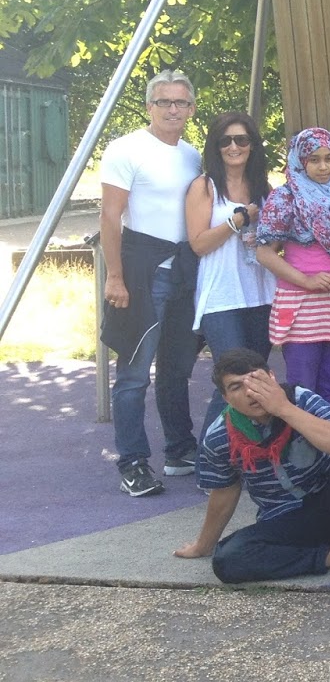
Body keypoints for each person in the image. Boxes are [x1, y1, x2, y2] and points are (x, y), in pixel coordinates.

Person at [174, 348, 330, 604]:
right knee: (227, 559)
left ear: (272, 377)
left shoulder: (299, 399)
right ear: (225, 398)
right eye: (236, 387)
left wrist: (283, 408)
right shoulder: (218, 436)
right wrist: (203, 545)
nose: (250, 392)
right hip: (286, 521)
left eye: (256, 380)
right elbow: (225, 492)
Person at [99, 69, 202, 496]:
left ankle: (179, 450)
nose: (173, 109)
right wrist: (116, 277)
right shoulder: (126, 149)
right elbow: (109, 216)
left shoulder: (193, 154)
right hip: (142, 271)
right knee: (134, 373)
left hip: (185, 270)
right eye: (165, 102)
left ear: (192, 108)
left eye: (181, 102)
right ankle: (133, 461)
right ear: (149, 107)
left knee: (177, 369)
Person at [254, 127, 330, 414]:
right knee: (302, 389)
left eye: (329, 158)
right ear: (300, 161)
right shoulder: (285, 198)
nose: (323, 166)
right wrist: (307, 280)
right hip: (301, 306)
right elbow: (264, 252)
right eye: (314, 159)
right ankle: (302, 454)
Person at [185, 111, 274, 429]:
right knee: (233, 383)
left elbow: (277, 243)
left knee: (256, 382)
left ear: (252, 145)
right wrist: (236, 222)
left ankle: (246, 457)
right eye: (226, 140)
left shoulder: (264, 188)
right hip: (222, 299)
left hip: (262, 296)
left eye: (242, 139)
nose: (234, 146)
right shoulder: (204, 187)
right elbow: (198, 244)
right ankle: (210, 463)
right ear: (215, 146)